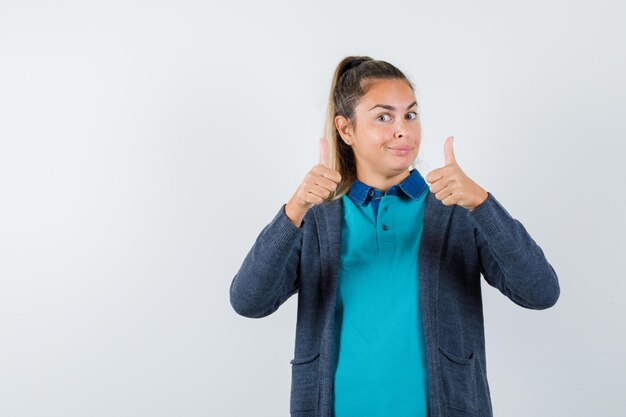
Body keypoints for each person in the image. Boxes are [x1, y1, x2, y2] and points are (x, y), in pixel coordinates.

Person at [229, 56, 560, 417]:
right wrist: (294, 210)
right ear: (346, 130)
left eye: (410, 115)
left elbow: (540, 292)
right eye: (384, 117)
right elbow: (248, 301)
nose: (403, 130)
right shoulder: (316, 216)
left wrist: (482, 204)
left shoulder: (456, 207)